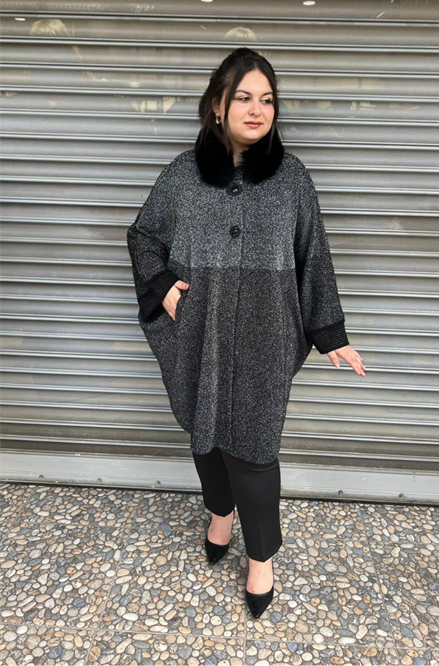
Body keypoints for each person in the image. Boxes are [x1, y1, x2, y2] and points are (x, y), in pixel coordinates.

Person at [127, 47, 366, 620]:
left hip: (266, 334)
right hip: (200, 331)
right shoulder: (183, 175)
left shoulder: (291, 179)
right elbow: (143, 236)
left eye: (267, 100)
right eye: (243, 98)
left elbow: (313, 257)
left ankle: (261, 557)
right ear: (217, 105)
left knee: (256, 449)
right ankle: (220, 513)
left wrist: (330, 331)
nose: (257, 110)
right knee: (204, 433)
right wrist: (164, 287)